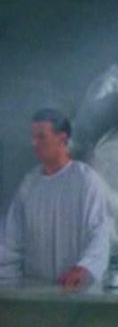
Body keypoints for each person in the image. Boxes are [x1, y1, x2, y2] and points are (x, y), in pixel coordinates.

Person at [0, 108, 110, 291]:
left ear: (63, 139)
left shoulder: (84, 179)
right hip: (35, 292)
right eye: (33, 137)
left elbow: (99, 233)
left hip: (75, 291)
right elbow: (12, 241)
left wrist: (84, 267)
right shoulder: (29, 184)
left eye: (41, 137)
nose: (34, 143)